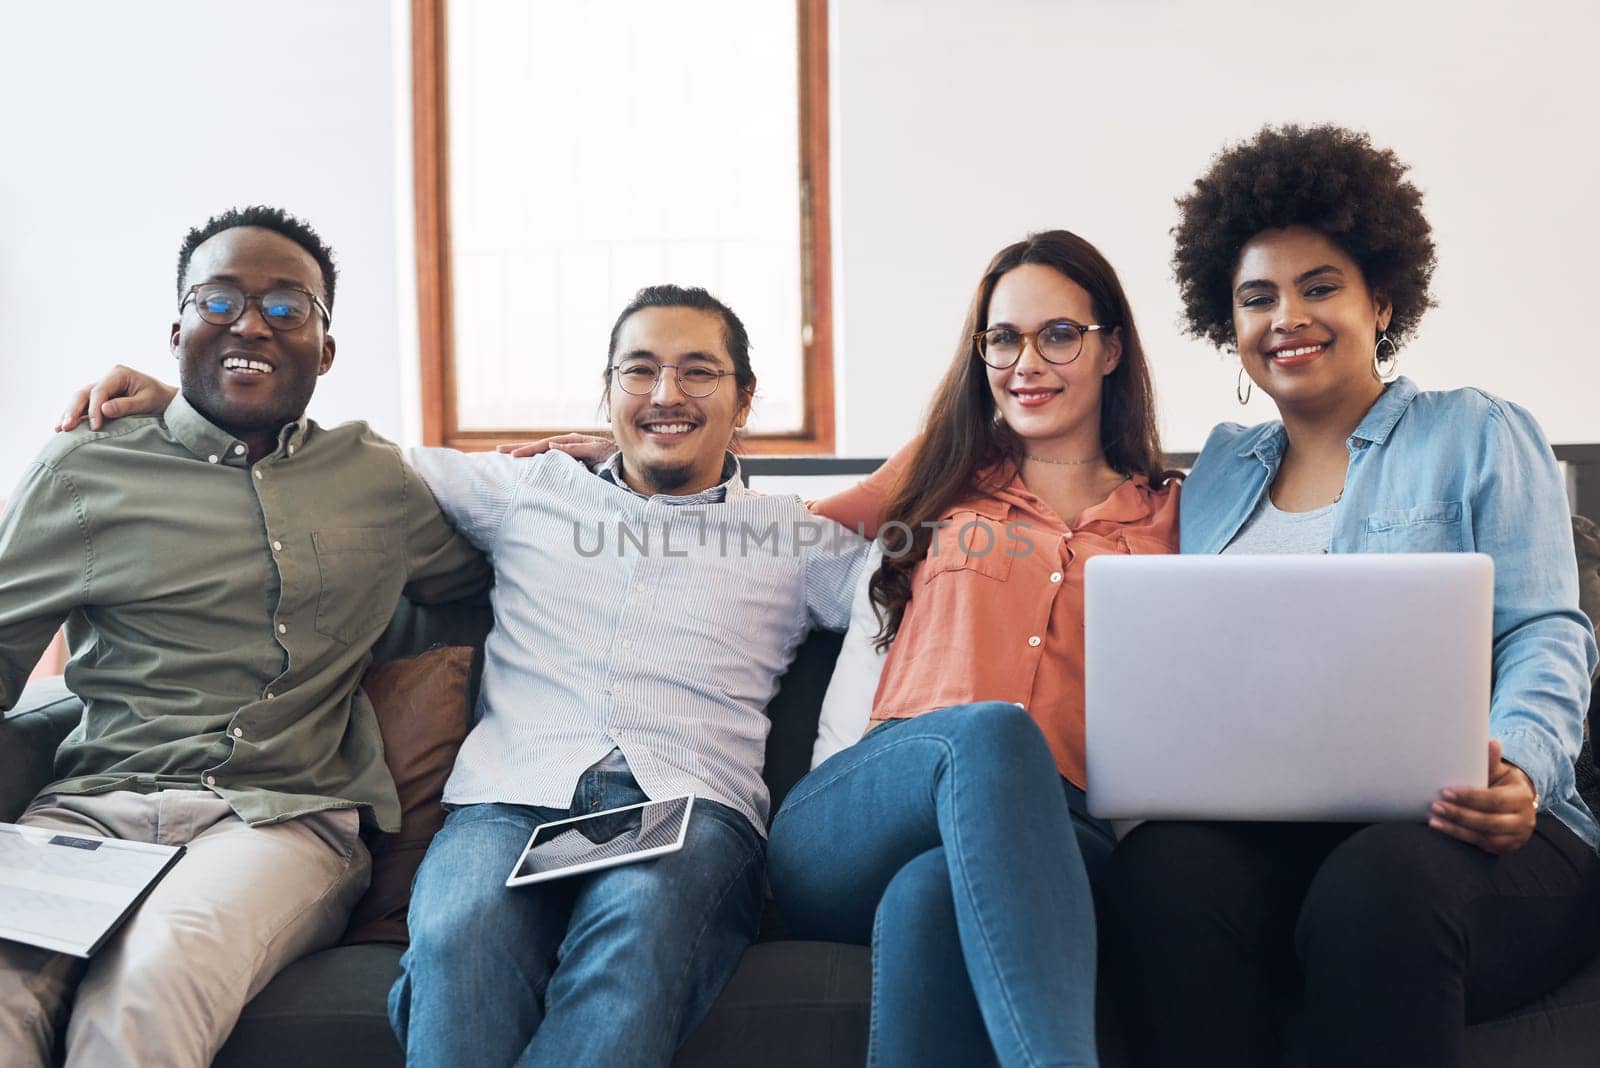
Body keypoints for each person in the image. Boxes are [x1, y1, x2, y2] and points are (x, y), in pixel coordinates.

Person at [72, 283, 868, 1066]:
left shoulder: (794, 539)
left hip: (681, 809)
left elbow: (909, 589)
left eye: (698, 371)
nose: (666, 394)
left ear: (746, 398)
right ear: (608, 393)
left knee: (640, 921)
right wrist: (189, 403)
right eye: (639, 370)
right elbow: (338, 466)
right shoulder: (526, 492)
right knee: (460, 931)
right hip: (508, 805)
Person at [1100, 125, 1600, 1068]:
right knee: (1163, 866)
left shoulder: (1476, 432)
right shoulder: (1214, 471)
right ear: (1229, 323)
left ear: (1383, 298)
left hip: (1481, 836)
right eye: (1257, 298)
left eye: (1319, 286)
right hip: (1285, 841)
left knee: (1380, 881)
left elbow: (1546, 631)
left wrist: (1523, 768)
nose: (1288, 316)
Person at [0, 206, 490, 1068]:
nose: (252, 324)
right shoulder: (83, 468)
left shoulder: (374, 479)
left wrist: (585, 474)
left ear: (326, 348)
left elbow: (490, 573)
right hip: (91, 812)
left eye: (287, 308)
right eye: (219, 302)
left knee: (150, 985)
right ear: (178, 327)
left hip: (281, 823)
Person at [779, 230, 1179, 1065]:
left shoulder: (1177, 516)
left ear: (1110, 348)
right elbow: (771, 538)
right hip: (870, 803)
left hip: (1062, 831)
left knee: (929, 899)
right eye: (1003, 338)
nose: (1025, 362)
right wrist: (623, 470)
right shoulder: (945, 470)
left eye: (1058, 335)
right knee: (995, 732)